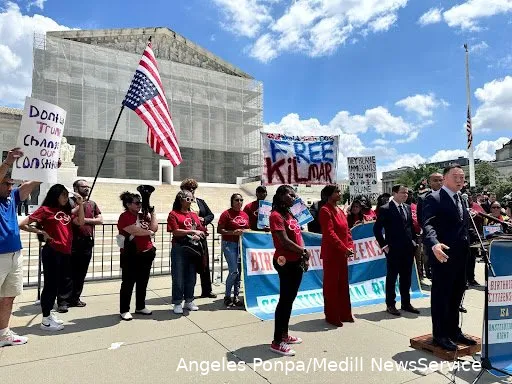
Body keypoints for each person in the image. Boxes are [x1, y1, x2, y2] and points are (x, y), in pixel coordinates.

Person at [422, 164, 477, 351]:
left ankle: (454, 330)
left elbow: (462, 227)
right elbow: (427, 225)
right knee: (442, 295)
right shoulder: (433, 198)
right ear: (445, 178)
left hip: (461, 256)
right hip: (442, 255)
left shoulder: (462, 199)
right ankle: (440, 334)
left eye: (463, 177)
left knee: (457, 294)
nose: (461, 180)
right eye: (456, 176)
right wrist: (434, 243)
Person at [19, 184, 85, 331]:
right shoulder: (45, 210)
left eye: (66, 195)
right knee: (50, 285)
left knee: (56, 285)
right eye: (63, 195)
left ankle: (48, 316)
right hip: (53, 251)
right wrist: (42, 232)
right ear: (55, 195)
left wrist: (80, 205)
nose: (65, 198)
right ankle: (45, 320)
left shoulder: (66, 210)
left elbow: (81, 222)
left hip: (65, 252)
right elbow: (23, 224)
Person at [0, 148, 40, 346]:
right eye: (6, 184)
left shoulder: (12, 198)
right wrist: (7, 163)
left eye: (11, 184)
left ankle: (3, 333)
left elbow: (28, 186)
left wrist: (45, 170)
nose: (10, 187)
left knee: (9, 296)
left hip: (15, 255)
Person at [269, 185, 307, 356]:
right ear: (281, 196)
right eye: (290, 195)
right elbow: (283, 241)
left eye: (294, 194)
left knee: (290, 300)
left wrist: (303, 256)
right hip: (285, 262)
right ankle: (277, 342)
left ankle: (284, 334)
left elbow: (298, 236)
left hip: (296, 261)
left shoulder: (290, 214)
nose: (294, 197)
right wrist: (303, 252)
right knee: (284, 300)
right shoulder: (275, 216)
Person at [373, 184, 420, 316]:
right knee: (392, 277)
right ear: (394, 193)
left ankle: (406, 303)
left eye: (407, 193)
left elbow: (410, 226)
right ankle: (390, 304)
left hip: (408, 248)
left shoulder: (407, 207)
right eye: (402, 193)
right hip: (393, 249)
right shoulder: (385, 209)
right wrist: (384, 246)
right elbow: (377, 229)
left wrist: (414, 241)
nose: (405, 195)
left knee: (406, 277)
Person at [57, 179, 103, 311]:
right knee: (67, 272)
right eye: (83, 187)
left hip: (87, 241)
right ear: (75, 188)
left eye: (88, 187)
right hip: (72, 242)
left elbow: (100, 219)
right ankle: (63, 301)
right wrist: (79, 206)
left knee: (81, 272)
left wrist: (86, 221)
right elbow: (72, 219)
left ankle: (75, 298)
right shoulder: (69, 202)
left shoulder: (92, 203)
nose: (87, 189)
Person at [117, 191, 157, 321]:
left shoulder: (143, 215)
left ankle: (140, 306)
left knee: (143, 281)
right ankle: (124, 309)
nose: (140, 205)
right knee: (128, 282)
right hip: (131, 254)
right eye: (137, 202)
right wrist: (149, 232)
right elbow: (134, 231)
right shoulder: (125, 216)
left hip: (147, 252)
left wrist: (153, 213)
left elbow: (154, 228)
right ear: (128, 204)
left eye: (140, 202)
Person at [318, 184, 354, 327]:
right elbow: (329, 233)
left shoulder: (340, 210)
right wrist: (343, 247)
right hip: (332, 254)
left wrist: (350, 246)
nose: (339, 193)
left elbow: (347, 231)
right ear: (329, 194)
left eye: (339, 191)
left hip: (342, 254)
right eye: (336, 192)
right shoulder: (325, 210)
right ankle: (332, 316)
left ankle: (345, 313)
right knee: (331, 285)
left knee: (343, 285)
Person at [167, 190, 207, 314]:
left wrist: (200, 234)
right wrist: (192, 232)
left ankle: (189, 300)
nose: (190, 201)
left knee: (191, 276)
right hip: (179, 247)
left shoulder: (194, 215)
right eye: (188, 198)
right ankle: (178, 302)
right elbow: (175, 231)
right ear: (181, 199)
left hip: (192, 248)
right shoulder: (173, 214)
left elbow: (202, 229)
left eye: (192, 199)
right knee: (178, 276)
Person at [180, 179, 216, 298]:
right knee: (189, 266)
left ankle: (207, 290)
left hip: (201, 236)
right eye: (188, 187)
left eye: (193, 188)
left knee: (204, 263)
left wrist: (204, 220)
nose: (191, 189)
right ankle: (187, 293)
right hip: (188, 237)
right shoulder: (180, 202)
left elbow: (211, 215)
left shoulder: (201, 201)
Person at [218, 193, 250, 307]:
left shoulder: (245, 215)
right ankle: (227, 296)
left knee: (239, 272)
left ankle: (236, 296)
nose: (239, 202)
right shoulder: (226, 214)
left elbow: (247, 229)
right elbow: (220, 230)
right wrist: (233, 232)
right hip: (229, 244)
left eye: (241, 200)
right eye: (237, 200)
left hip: (241, 245)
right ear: (232, 201)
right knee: (233, 271)